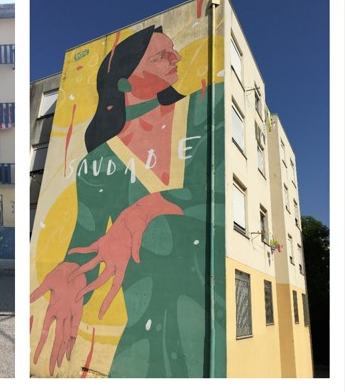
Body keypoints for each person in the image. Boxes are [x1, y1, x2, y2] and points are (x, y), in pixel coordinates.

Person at [30, 25, 224, 377]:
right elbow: (86, 243)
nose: (176, 57)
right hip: (144, 339)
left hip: (213, 326)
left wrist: (146, 207)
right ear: (124, 82)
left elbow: (218, 197)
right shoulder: (96, 163)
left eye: (173, 52)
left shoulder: (207, 107)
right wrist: (71, 277)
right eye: (162, 55)